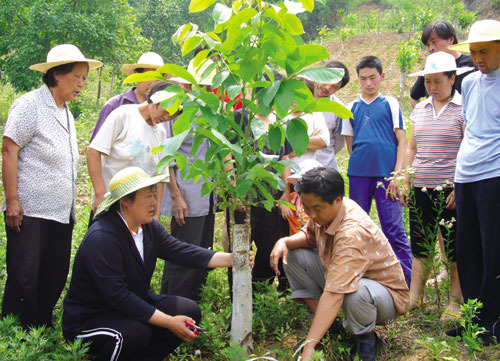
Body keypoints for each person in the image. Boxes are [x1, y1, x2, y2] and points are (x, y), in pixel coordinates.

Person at [62, 167, 250, 360]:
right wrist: (169, 322)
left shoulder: (148, 228)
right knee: (134, 334)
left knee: (188, 311)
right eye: (148, 197)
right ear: (125, 201)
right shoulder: (102, 237)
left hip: (129, 307)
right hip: (91, 318)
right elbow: (118, 296)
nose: (154, 203)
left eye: (155, 195)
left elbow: (181, 251)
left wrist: (230, 259)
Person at [1, 44, 102, 328]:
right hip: (31, 210)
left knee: (55, 274)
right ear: (56, 75)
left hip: (61, 211)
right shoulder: (30, 104)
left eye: (85, 78)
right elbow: (9, 149)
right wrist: (12, 200)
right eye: (77, 77)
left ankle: (39, 328)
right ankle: (16, 334)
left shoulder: (66, 112)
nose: (82, 83)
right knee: (25, 275)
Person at [270, 167, 409, 361]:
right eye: (307, 207)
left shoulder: (352, 232)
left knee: (356, 292)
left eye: (316, 208)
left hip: (382, 297)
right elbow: (309, 237)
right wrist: (284, 241)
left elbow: (336, 293)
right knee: (293, 255)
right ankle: (329, 328)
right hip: (341, 277)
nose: (311, 213)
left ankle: (365, 339)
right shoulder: (327, 210)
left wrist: (310, 347)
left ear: (337, 200)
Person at [402, 51, 472, 320]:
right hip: (421, 186)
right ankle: (414, 297)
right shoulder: (420, 108)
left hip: (449, 190)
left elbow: (468, 148)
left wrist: (458, 185)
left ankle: (456, 301)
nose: (431, 87)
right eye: (427, 81)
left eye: (437, 81)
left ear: (452, 79)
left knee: (453, 248)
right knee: (420, 245)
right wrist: (407, 179)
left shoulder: (463, 108)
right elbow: (412, 147)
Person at [445, 19, 500, 345]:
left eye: (484, 51)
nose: (478, 58)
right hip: (466, 173)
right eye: (474, 52)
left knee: (493, 249)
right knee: (466, 249)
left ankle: (491, 322)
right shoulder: (470, 83)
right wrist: (456, 174)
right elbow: (469, 129)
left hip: (495, 173)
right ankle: (474, 318)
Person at [341, 56, 413, 284]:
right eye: (363, 79)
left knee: (393, 228)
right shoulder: (350, 107)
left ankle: (407, 281)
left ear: (381, 76)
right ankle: (360, 277)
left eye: (372, 77)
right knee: (357, 227)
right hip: (359, 175)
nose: (368, 83)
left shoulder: (390, 103)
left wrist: (397, 175)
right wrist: (362, 164)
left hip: (386, 177)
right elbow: (350, 144)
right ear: (358, 80)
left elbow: (402, 140)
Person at [160, 59, 218, 302]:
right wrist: (175, 196)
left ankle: (193, 306)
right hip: (187, 195)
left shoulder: (207, 108)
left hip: (207, 196)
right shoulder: (173, 108)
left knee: (201, 253)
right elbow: (166, 155)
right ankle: (173, 307)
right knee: (183, 255)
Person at [87, 81, 177, 223]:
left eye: (172, 116)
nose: (166, 118)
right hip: (112, 204)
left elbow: (161, 176)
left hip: (140, 211)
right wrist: (100, 194)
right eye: (166, 112)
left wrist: (156, 212)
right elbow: (93, 151)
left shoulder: (160, 132)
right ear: (156, 101)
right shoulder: (124, 115)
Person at [90, 52, 164, 141]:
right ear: (137, 75)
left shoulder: (163, 110)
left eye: (157, 79)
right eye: (148, 77)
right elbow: (95, 147)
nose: (152, 83)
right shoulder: (115, 105)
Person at [410, 21, 475, 108]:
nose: (431, 48)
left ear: (451, 40)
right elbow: (413, 97)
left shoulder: (471, 65)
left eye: (434, 42)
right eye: (428, 45)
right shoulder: (430, 69)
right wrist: (426, 116)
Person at [313, 60, 350, 171]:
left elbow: (338, 144)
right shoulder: (298, 98)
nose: (328, 88)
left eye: (335, 87)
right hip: (296, 169)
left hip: (325, 168)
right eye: (327, 80)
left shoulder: (338, 109)